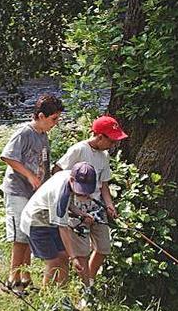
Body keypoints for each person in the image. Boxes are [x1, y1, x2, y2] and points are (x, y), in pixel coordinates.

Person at [0, 94, 64, 295]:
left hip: (34, 195)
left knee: (28, 233)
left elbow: (43, 164)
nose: (56, 123)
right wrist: (29, 176)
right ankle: (13, 278)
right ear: (41, 116)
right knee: (19, 236)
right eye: (54, 119)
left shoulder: (44, 136)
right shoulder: (24, 133)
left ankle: (25, 276)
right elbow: (7, 156)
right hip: (17, 191)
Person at [52, 115, 127, 286]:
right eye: (112, 140)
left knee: (103, 248)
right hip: (77, 208)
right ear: (100, 136)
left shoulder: (105, 155)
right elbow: (58, 171)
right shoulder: (78, 150)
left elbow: (104, 185)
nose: (114, 144)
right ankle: (86, 289)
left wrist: (109, 204)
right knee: (82, 252)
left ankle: (89, 280)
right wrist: (69, 197)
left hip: (97, 206)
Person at [19, 162, 100, 287]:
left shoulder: (68, 176)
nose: (82, 194)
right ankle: (47, 299)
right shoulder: (59, 193)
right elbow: (63, 228)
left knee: (63, 257)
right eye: (80, 190)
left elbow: (68, 204)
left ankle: (62, 297)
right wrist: (74, 258)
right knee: (53, 262)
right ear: (72, 180)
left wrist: (81, 214)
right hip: (36, 222)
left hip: (50, 220)